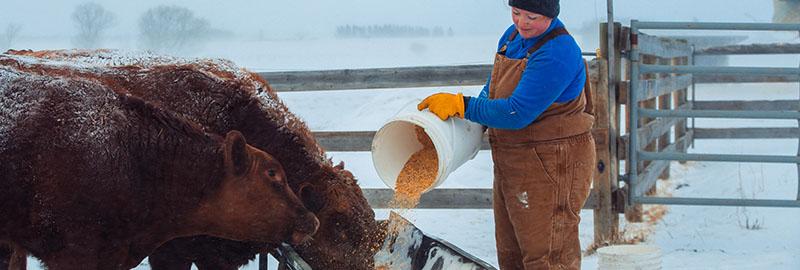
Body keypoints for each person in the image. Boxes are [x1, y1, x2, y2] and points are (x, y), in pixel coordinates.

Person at [417, 0, 596, 269]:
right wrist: (466, 123)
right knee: (511, 254)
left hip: (553, 165)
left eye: (532, 17)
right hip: (514, 162)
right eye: (516, 13)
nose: (522, 22)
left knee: (546, 256)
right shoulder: (511, 37)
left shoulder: (558, 51)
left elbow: (517, 112)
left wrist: (461, 105)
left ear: (551, 14)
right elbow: (493, 90)